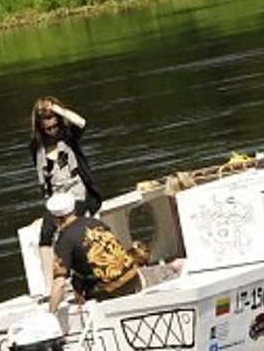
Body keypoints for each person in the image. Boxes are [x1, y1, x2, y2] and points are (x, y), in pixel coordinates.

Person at [42, 192, 183, 312]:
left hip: (111, 292)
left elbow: (59, 283)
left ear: (55, 218)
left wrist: (51, 313)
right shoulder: (94, 223)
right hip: (134, 279)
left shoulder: (64, 240)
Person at [29, 96, 103, 215]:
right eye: (48, 128)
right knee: (46, 232)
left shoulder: (68, 136)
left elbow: (81, 123)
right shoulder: (37, 148)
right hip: (57, 196)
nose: (53, 131)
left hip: (78, 192)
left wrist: (56, 108)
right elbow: (44, 179)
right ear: (41, 129)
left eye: (55, 126)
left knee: (73, 218)